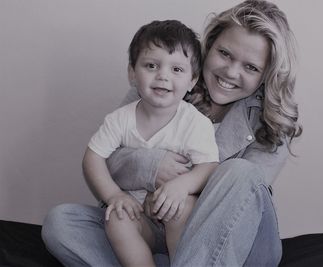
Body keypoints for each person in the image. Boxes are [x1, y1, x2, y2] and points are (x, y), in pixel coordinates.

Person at [42, 0, 302, 266]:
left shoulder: (273, 123)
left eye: (251, 67)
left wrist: (183, 185)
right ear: (208, 46)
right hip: (154, 229)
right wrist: (153, 166)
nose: (231, 72)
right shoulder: (163, 80)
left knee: (241, 172)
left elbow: (239, 203)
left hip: (236, 244)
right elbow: (106, 161)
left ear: (266, 75)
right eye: (224, 53)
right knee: (61, 223)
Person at [82, 20, 219, 266]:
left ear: (192, 80)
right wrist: (114, 195)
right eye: (151, 65)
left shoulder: (195, 123)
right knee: (117, 218)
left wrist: (182, 185)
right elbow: (93, 157)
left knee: (183, 205)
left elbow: (209, 166)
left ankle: (182, 262)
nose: (163, 76)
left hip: (179, 216)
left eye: (177, 69)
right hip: (141, 219)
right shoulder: (120, 119)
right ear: (132, 73)